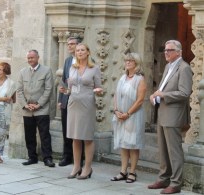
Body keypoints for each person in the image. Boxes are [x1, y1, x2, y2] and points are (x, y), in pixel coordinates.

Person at [148, 40, 193, 194]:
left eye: (170, 50)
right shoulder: (168, 66)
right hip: (163, 112)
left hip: (174, 114)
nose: (166, 52)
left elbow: (184, 93)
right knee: (163, 149)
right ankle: (163, 178)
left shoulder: (184, 68)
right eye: (165, 50)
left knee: (174, 150)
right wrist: (155, 95)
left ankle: (175, 183)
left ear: (178, 52)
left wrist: (163, 95)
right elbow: (163, 87)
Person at [66, 43, 103, 179]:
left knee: (87, 137)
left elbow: (99, 88)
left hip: (87, 104)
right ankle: (76, 166)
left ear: (88, 52)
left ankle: (87, 167)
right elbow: (70, 87)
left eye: (82, 50)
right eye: (77, 50)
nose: (79, 52)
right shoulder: (72, 68)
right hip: (73, 103)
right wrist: (65, 91)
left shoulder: (95, 69)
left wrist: (99, 92)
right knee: (75, 137)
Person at [110, 53, 147, 183]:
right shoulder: (122, 77)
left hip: (133, 116)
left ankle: (132, 172)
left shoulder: (139, 79)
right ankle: (123, 171)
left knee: (133, 144)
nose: (128, 62)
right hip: (121, 115)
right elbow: (116, 95)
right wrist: (116, 110)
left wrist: (128, 113)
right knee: (124, 144)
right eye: (126, 60)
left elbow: (140, 100)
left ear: (137, 63)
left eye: (131, 60)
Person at [17, 49, 55, 168]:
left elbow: (49, 89)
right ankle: (32, 157)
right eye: (28, 58)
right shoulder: (23, 72)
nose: (30, 60)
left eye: (32, 57)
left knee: (44, 135)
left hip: (41, 109)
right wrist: (25, 105)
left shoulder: (47, 71)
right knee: (29, 134)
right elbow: (19, 90)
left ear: (38, 58)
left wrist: (38, 104)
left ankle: (47, 158)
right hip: (27, 109)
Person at [58, 37, 80, 166]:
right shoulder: (67, 61)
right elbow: (63, 81)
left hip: (79, 100)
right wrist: (61, 99)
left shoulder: (87, 62)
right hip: (66, 99)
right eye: (68, 44)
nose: (70, 46)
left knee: (79, 130)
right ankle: (67, 156)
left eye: (72, 44)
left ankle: (79, 158)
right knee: (66, 129)